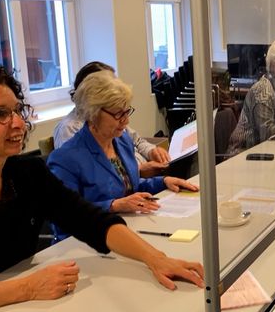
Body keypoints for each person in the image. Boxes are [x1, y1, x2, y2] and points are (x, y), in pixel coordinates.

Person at [0, 66, 204, 312]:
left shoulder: (26, 173)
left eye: (18, 111)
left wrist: (156, 258)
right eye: (0, 114)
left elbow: (88, 219)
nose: (18, 123)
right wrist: (27, 288)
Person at [47, 71, 197, 216]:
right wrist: (113, 205)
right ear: (93, 113)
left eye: (127, 112)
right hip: (90, 236)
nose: (126, 120)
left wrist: (164, 181)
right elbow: (63, 213)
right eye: (118, 113)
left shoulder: (122, 141)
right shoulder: (66, 158)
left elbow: (131, 187)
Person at [53, 61, 171, 178]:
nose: (126, 121)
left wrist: (151, 151)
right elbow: (88, 178)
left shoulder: (115, 118)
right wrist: (137, 171)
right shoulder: (69, 129)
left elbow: (137, 141)